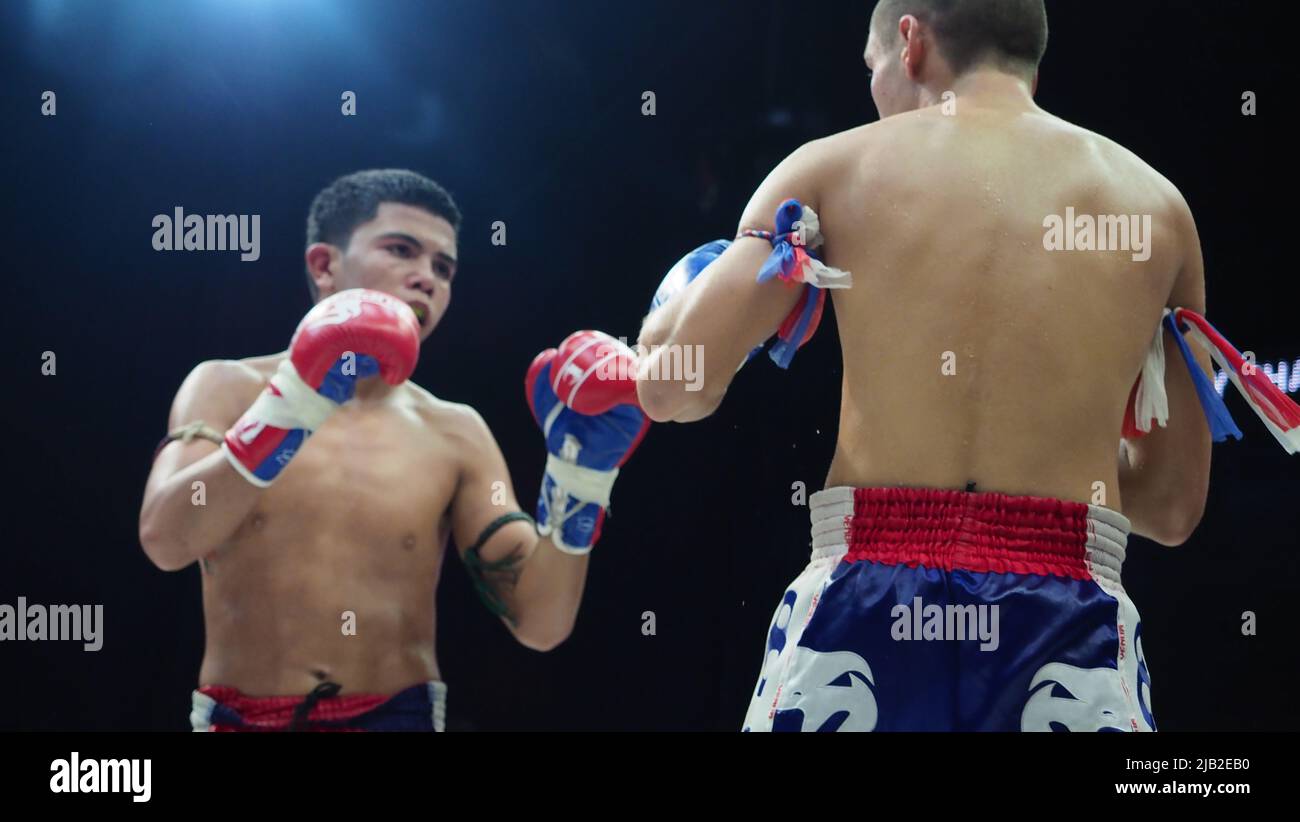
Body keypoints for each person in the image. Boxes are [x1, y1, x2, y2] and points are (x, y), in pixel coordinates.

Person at [139, 169, 646, 731]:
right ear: (324, 265)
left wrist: (582, 480)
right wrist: (291, 407)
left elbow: (542, 623)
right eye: (401, 250)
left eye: (443, 268)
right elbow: (165, 540)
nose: (425, 278)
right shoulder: (226, 387)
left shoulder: (455, 431)